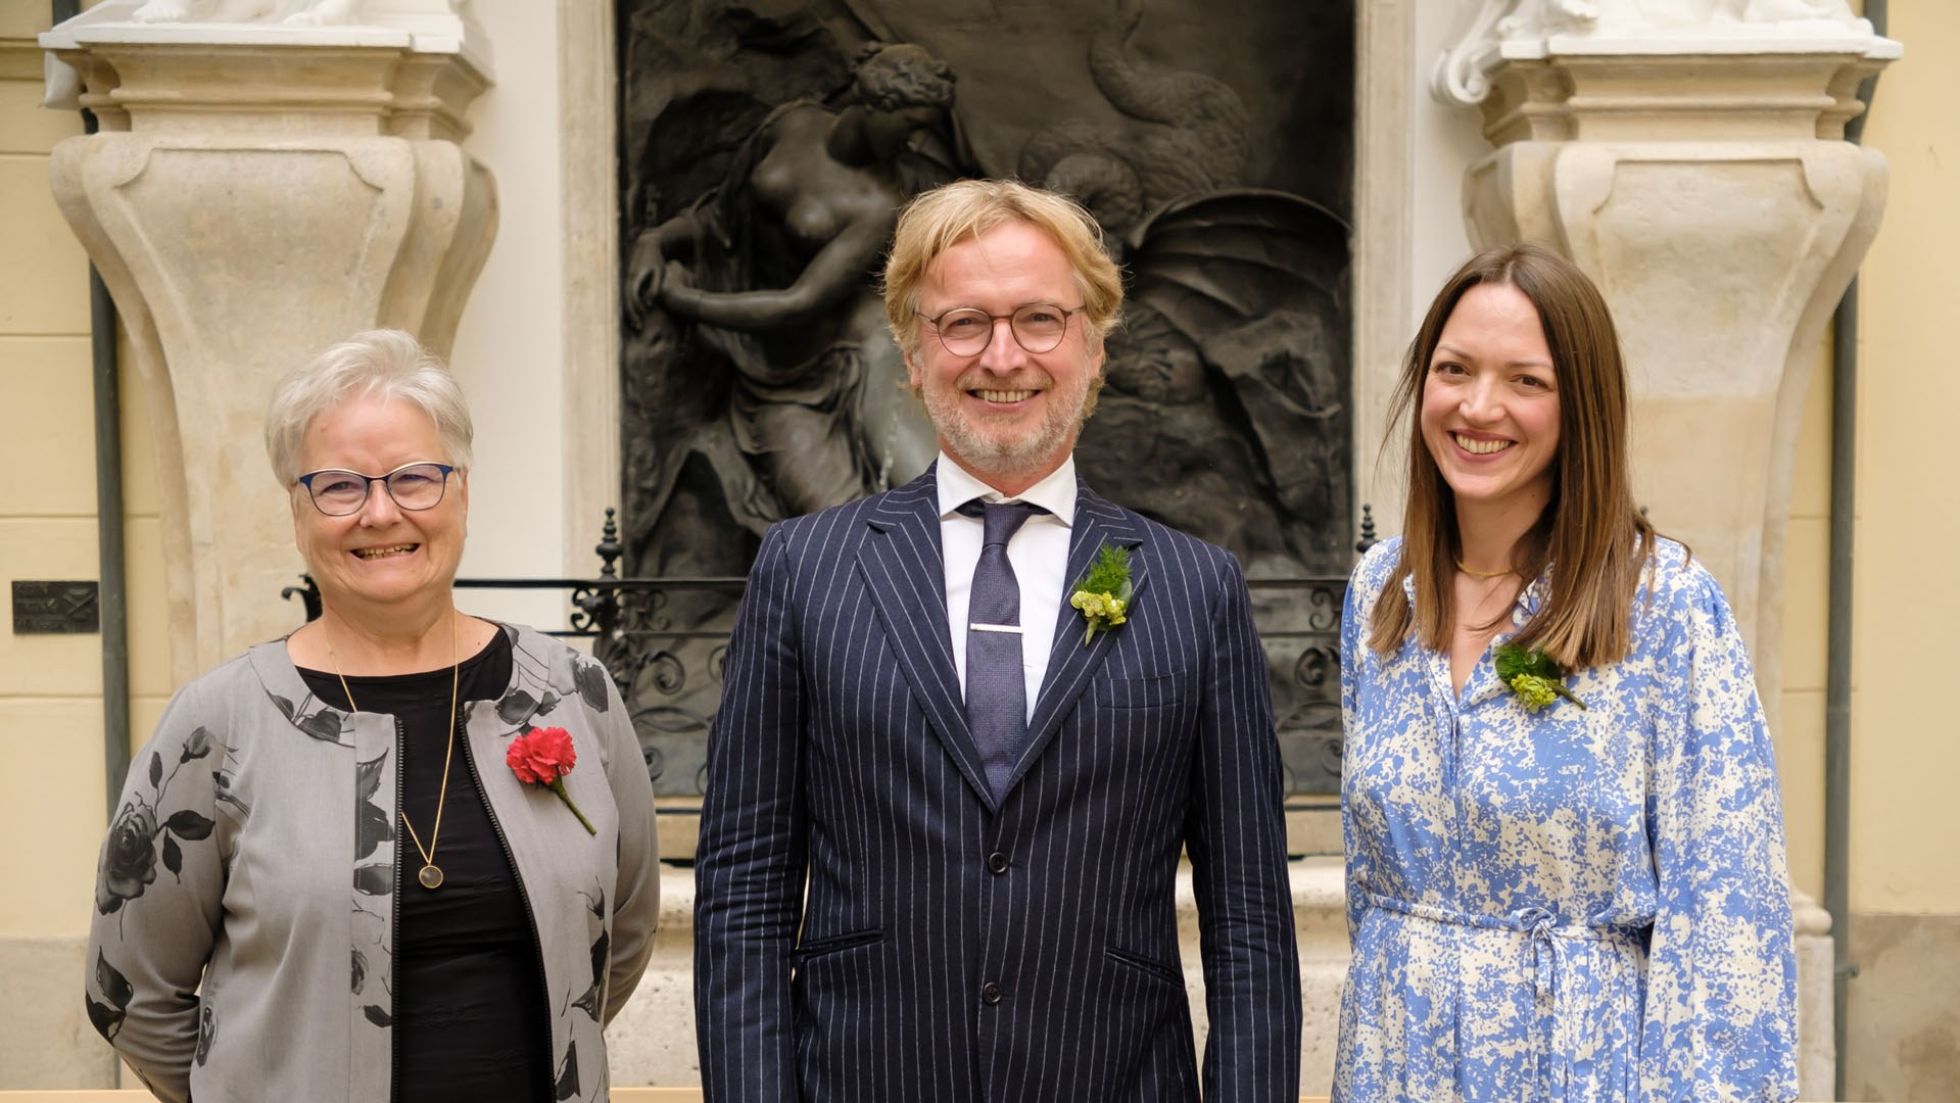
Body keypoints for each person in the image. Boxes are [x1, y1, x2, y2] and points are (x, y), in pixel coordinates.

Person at [694, 179, 1302, 1102]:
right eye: (963, 322)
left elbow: (1250, 916)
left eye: (1040, 319)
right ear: (911, 350)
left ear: (1095, 344)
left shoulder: (1194, 589)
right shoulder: (803, 569)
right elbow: (744, 892)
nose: (1003, 354)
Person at [84, 331, 660, 1103]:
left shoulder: (572, 691)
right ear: (298, 510)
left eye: (414, 478)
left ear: (460, 490)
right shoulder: (219, 723)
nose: (381, 511)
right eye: (340, 485)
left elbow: (622, 932)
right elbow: (129, 989)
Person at [1335, 244, 1798, 1101]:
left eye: (1526, 381)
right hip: (1394, 1062)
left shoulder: (1667, 609)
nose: (1479, 406)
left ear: (1580, 404)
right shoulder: (1381, 591)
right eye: (1454, 369)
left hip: (1577, 1068)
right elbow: (1370, 883)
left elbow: (1729, 924)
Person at [625, 42, 955, 535]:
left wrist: (684, 302)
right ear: (877, 103)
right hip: (770, 372)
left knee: (878, 511)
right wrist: (657, 240)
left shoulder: (879, 202)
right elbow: (720, 218)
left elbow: (797, 304)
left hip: (842, 360)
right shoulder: (791, 123)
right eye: (912, 124)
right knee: (828, 525)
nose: (916, 141)